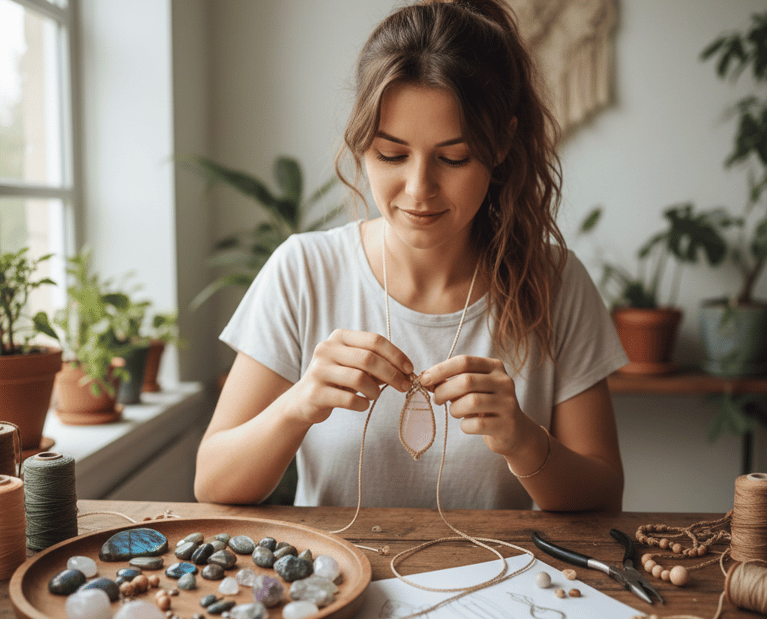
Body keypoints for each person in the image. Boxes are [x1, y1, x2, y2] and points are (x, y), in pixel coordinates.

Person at [194, 0, 627, 512]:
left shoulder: (555, 282)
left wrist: (523, 439)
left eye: (454, 157)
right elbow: (212, 484)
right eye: (391, 154)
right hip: (339, 586)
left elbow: (603, 496)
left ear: (503, 142)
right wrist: (300, 403)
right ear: (360, 142)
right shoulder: (304, 271)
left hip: (498, 586)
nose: (419, 188)